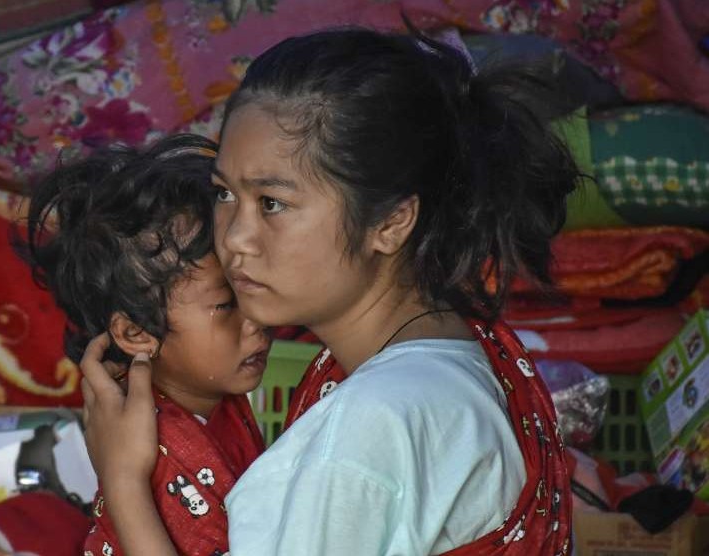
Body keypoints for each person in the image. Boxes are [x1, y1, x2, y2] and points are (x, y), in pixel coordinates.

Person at [80, 25, 581, 555]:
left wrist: (123, 482)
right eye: (225, 193)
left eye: (271, 202)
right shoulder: (466, 348)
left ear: (390, 222)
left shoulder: (369, 427)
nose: (235, 239)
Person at [23, 134, 270, 556]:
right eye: (227, 304)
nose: (258, 318)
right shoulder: (169, 454)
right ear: (136, 333)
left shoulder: (210, 393)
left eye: (254, 289)